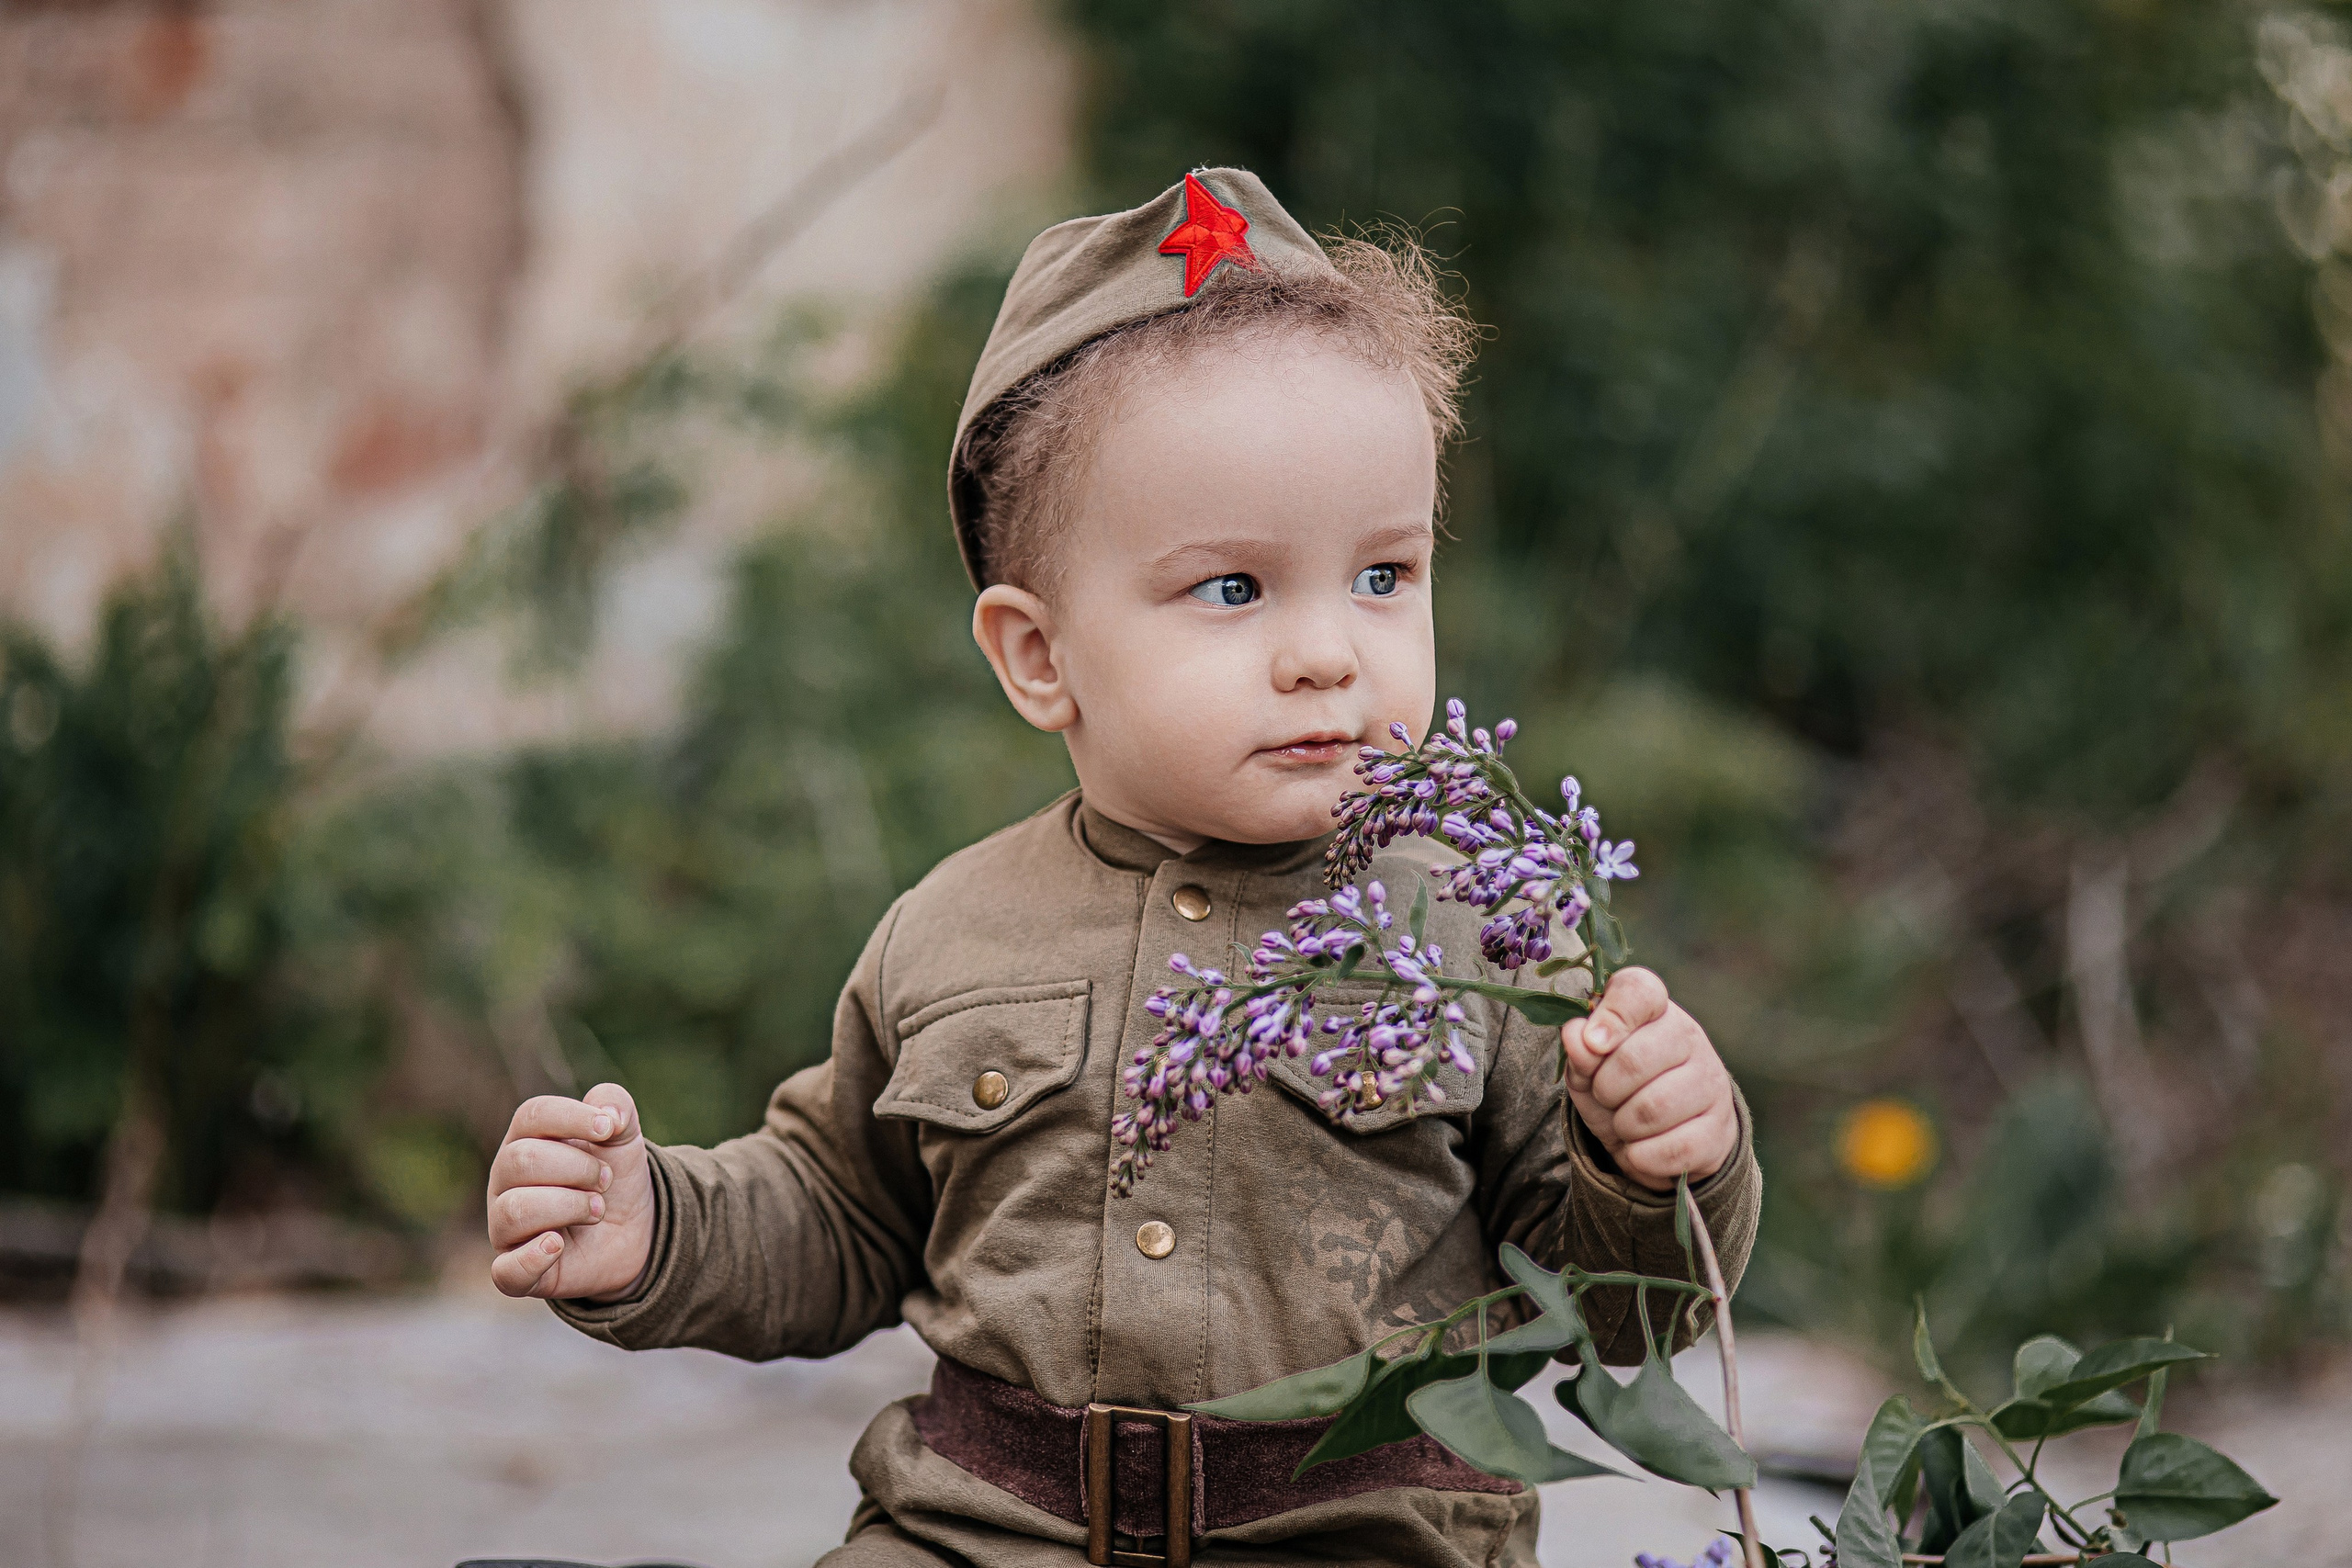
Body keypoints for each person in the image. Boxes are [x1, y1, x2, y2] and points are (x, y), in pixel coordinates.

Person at [483, 169, 1761, 1568]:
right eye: (1235, 588)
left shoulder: (1486, 928)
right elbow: (841, 1214)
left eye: (1385, 575)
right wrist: (652, 1227)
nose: (1331, 651)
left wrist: (1656, 1165)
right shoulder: (954, 929)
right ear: (1040, 656)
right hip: (981, 1532)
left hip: (1356, 1541)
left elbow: (1621, 1311)